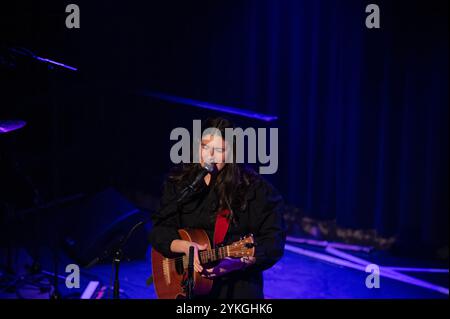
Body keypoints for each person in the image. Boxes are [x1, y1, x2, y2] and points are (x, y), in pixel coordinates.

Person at [149, 117, 286, 299]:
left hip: (237, 288)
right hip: (189, 289)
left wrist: (236, 264)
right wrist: (184, 246)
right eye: (205, 147)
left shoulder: (257, 192)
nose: (209, 156)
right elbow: (159, 230)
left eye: (219, 150)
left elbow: (273, 243)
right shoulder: (180, 183)